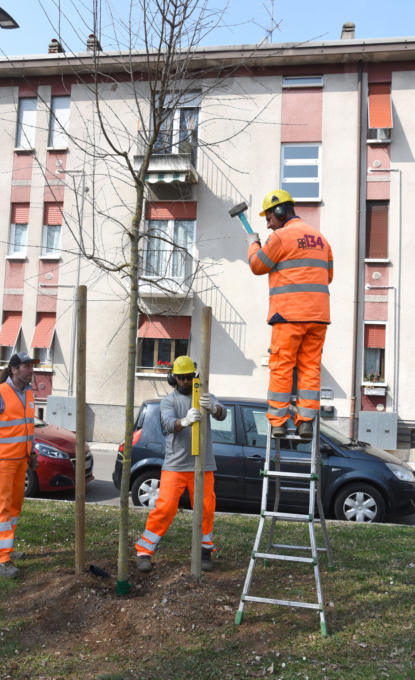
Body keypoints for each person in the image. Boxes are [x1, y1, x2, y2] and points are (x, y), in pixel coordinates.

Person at [247, 189, 334, 440]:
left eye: (269, 218)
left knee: (282, 366)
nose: (268, 224)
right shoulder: (321, 238)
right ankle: (305, 421)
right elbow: (327, 276)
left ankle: (278, 423)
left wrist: (253, 243)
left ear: (280, 211)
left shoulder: (280, 238)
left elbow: (257, 266)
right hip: (318, 317)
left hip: (288, 316)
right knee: (310, 368)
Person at [135, 355, 227, 573]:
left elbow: (223, 414)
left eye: (188, 377)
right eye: (181, 378)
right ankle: (144, 551)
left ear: (194, 375)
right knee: (165, 508)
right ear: (172, 378)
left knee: (205, 509)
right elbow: (168, 424)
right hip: (175, 465)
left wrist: (214, 408)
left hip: (203, 465)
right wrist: (184, 421)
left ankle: (205, 551)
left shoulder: (206, 396)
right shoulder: (168, 401)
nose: (185, 382)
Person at [0, 352, 40, 579]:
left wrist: (32, 453)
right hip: (1, 463)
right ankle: (1, 559)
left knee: (13, 508)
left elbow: (28, 427)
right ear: (14, 369)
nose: (31, 370)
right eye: (26, 366)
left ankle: (5, 546)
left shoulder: (29, 394)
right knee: (1, 509)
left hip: (20, 463)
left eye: (32, 366)